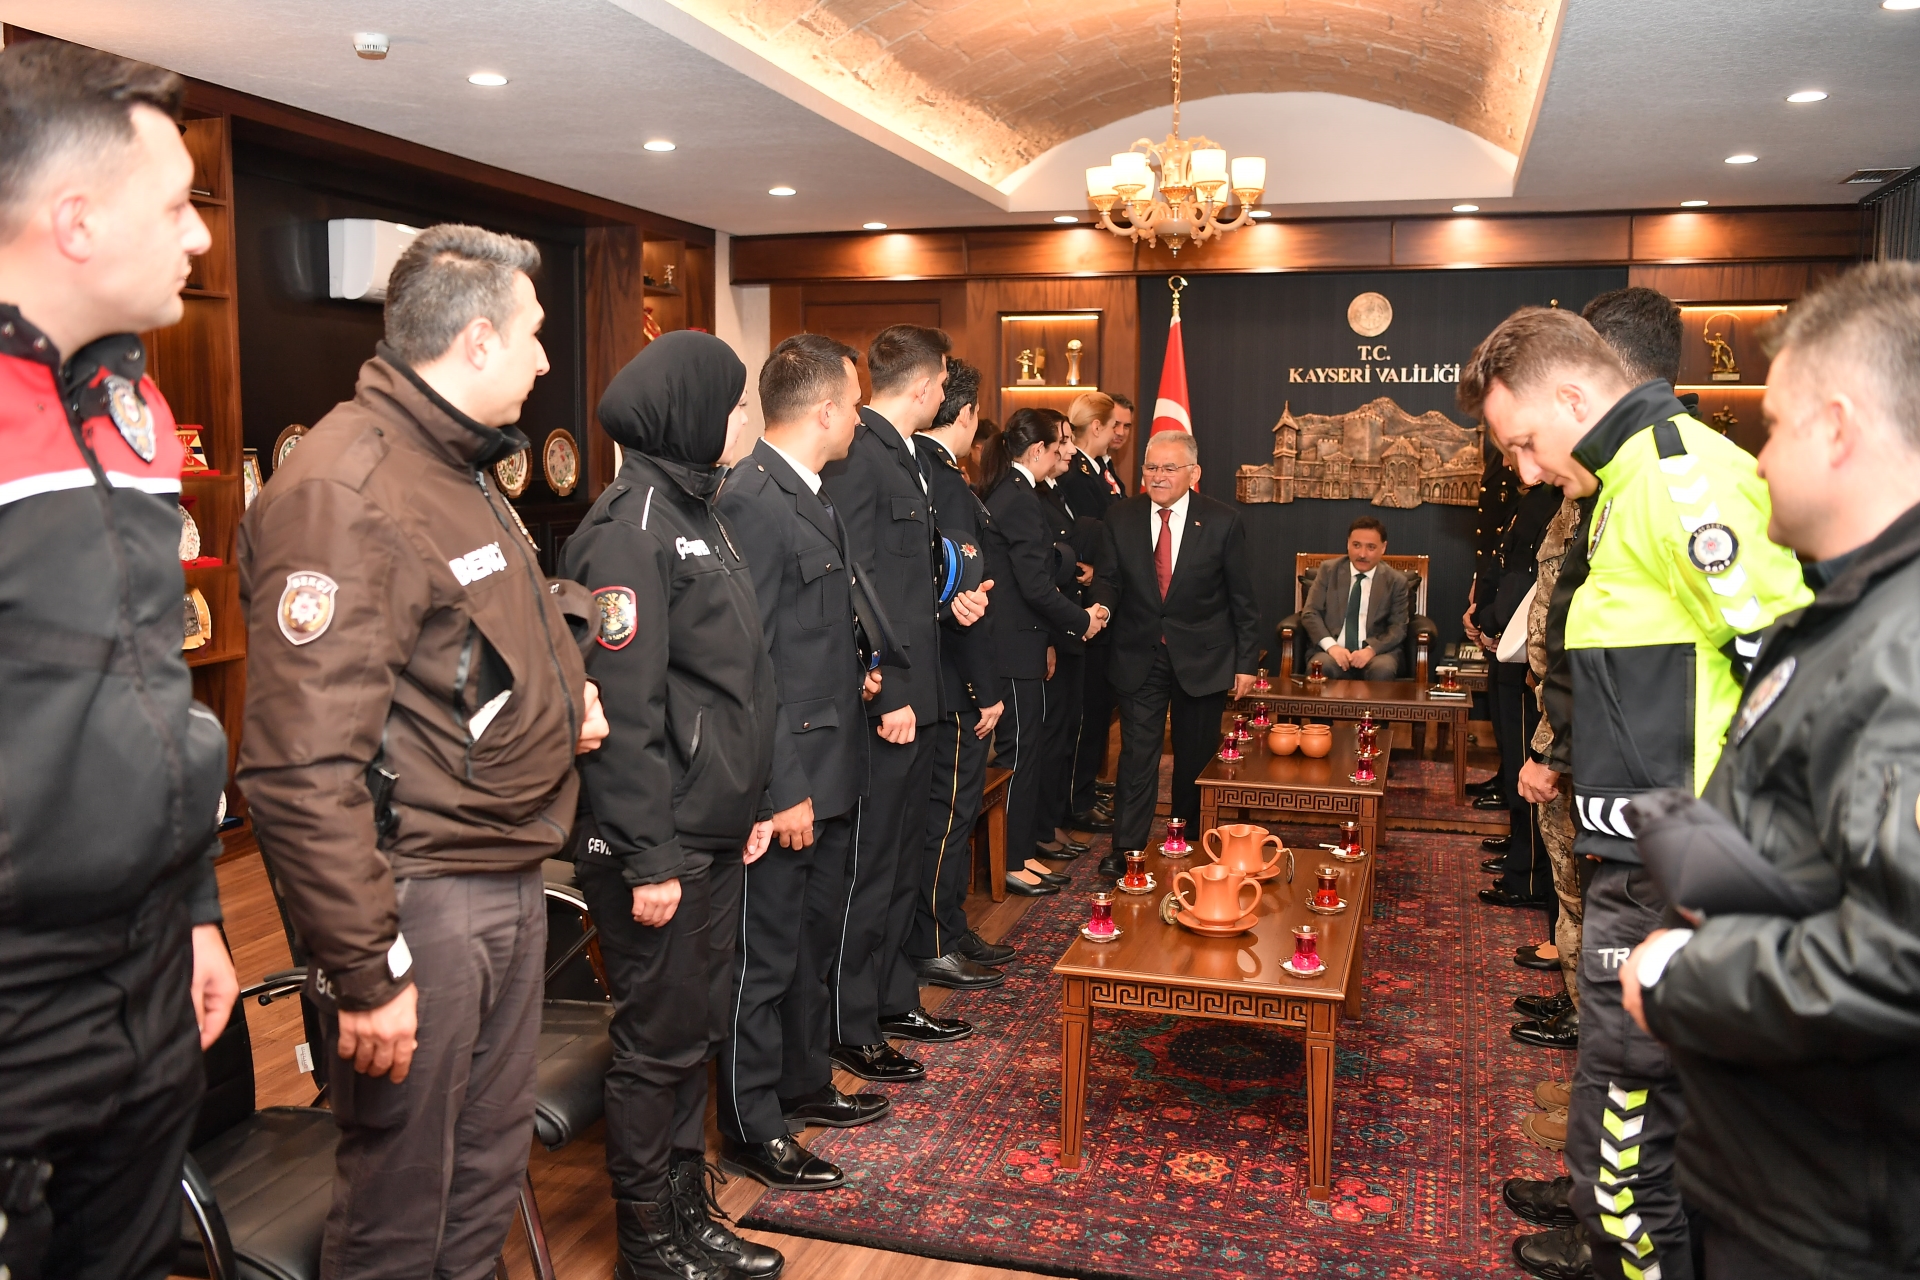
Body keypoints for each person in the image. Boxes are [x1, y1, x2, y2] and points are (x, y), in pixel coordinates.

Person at [238, 224, 609, 1276]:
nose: (545, 358)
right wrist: (367, 969)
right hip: (423, 896)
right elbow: (301, 765)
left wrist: (564, 699)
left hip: (503, 864)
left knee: (481, 1176)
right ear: (478, 340)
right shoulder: (346, 489)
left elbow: (465, 644)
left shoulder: (458, 465)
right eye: (534, 334)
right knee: (402, 1203)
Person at [1461, 305, 1810, 1280]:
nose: (1524, 470)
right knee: (1622, 1079)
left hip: (1685, 858)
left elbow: (1793, 672)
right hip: (1633, 846)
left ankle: (1623, 1244)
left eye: (1525, 443)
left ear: (1575, 397)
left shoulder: (1682, 477)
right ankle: (1600, 1211)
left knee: (1641, 1097)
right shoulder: (1622, 481)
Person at [1618, 263, 1920, 1280]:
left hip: (1836, 1208)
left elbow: (1900, 955)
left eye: (1776, 426)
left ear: (1838, 429)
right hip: (1796, 1164)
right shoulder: (1862, 610)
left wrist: (1682, 976)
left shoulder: (1904, 641)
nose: (1755, 463)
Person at [0, 43, 239, 1280]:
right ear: (77, 220)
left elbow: (151, 687)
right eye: (177, 205)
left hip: (145, 956)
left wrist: (195, 909)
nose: (198, 237)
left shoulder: (131, 412)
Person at [561, 330, 784, 1278]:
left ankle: (689, 1214)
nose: (743, 419)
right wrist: (648, 855)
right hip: (661, 841)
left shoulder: (701, 509)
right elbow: (619, 715)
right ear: (688, 411)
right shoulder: (628, 527)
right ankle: (649, 1242)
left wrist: (752, 800)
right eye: (733, 404)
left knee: (694, 1031)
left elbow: (733, 681)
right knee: (657, 1043)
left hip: (712, 828)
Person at [715, 333, 887, 1192]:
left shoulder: (809, 492)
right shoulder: (753, 498)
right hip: (789, 779)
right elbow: (751, 666)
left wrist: (860, 666)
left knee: (812, 941)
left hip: (832, 764)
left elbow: (811, 631)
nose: (859, 417)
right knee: (767, 956)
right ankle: (754, 1123)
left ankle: (802, 1081)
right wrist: (781, 791)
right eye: (853, 404)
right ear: (824, 411)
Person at [819, 325, 989, 1086]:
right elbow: (851, 580)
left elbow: (905, 578)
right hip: (889, 700)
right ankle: (853, 1024)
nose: (945, 392)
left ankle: (891, 1000)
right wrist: (884, 684)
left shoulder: (907, 454)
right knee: (871, 869)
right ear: (924, 385)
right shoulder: (859, 457)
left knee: (898, 863)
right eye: (943, 381)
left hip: (922, 693)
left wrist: (951, 604)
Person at [1102, 430, 1260, 880]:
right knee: (1137, 756)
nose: (1158, 476)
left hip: (1203, 659)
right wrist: (1098, 608)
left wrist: (1246, 664)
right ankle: (1127, 848)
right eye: (1151, 467)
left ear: (1194, 473)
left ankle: (1187, 840)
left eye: (1169, 468)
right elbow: (1109, 581)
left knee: (1194, 757)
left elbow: (1243, 599)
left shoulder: (1223, 521)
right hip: (1139, 654)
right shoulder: (1121, 516)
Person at [909, 358, 1015, 989]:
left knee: (950, 817)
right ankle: (934, 940)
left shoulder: (928, 469)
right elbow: (965, 599)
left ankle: (949, 924)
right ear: (969, 414)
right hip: (954, 683)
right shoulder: (942, 479)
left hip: (944, 678)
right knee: (947, 820)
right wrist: (985, 691)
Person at [979, 409, 1107, 892]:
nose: (1067, 452)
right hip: (1013, 646)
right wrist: (1082, 620)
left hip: (1019, 642)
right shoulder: (1019, 497)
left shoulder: (1016, 491)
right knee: (1020, 754)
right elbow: (1034, 586)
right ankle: (1013, 861)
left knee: (1027, 752)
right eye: (1060, 445)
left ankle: (1021, 853)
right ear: (1038, 450)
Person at [1475, 478, 1563, 911]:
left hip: (1527, 651)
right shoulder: (1536, 497)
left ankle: (1528, 876)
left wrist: (1492, 619)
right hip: (1510, 640)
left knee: (1526, 760)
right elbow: (1503, 566)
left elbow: (1527, 580)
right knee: (1513, 758)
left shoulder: (1553, 498)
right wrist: (1484, 615)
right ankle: (1520, 855)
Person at [1035, 408, 1115, 860]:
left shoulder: (1054, 489)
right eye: (1062, 442)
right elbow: (1037, 573)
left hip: (1068, 623)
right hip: (1053, 630)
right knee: (1051, 737)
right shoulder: (1030, 495)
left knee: (1065, 731)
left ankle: (1053, 820)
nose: (1070, 450)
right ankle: (1043, 827)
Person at [1060, 392, 1124, 832]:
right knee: (1086, 710)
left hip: (1101, 595)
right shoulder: (1078, 474)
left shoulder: (1101, 469)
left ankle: (1084, 788)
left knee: (1098, 707)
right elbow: (1082, 536)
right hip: (1083, 605)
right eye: (1115, 424)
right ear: (1097, 426)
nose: (1120, 433)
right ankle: (1076, 797)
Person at [1300, 516, 1409, 680]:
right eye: (1356, 545)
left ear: (1383, 548)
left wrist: (1371, 650)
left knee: (1382, 670)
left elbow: (1398, 627)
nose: (1362, 554)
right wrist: (1332, 647)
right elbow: (1310, 613)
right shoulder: (1328, 571)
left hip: (1377, 654)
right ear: (1348, 544)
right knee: (1322, 666)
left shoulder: (1396, 581)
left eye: (1371, 547)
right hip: (1332, 652)